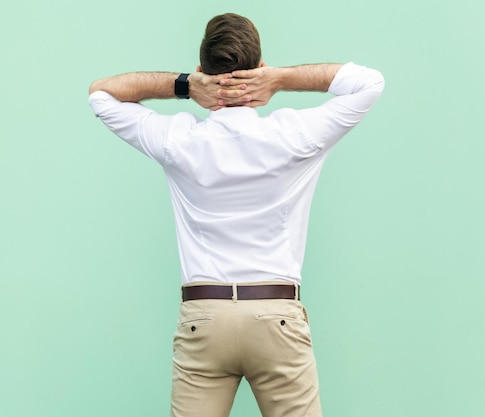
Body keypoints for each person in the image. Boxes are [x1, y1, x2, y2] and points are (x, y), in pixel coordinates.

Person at [88, 12, 384, 417]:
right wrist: (282, 79)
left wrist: (183, 87)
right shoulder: (295, 134)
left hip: (204, 318)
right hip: (276, 316)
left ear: (201, 72)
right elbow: (370, 83)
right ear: (261, 69)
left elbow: (101, 94)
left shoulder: (179, 139)